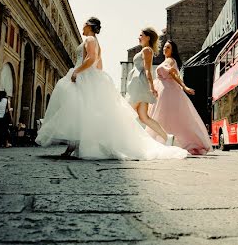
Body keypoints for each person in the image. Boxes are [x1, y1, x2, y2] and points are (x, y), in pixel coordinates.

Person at [36, 17, 187, 161]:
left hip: (97, 78)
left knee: (112, 116)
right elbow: (99, 64)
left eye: (84, 25)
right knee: (120, 116)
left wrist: (78, 71)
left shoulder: (90, 39)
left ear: (89, 25)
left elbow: (91, 59)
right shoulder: (96, 42)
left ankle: (130, 141)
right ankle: (158, 138)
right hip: (103, 78)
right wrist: (95, 77)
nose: (82, 27)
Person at [147, 40, 212, 155]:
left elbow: (174, 74)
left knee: (163, 119)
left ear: (172, 50)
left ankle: (164, 143)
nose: (164, 49)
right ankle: (167, 142)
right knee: (168, 120)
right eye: (164, 47)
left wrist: (184, 87)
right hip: (165, 93)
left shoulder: (170, 60)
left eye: (168, 47)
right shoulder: (168, 61)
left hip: (167, 94)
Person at [125, 27, 174, 146]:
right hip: (139, 85)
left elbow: (147, 70)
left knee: (127, 113)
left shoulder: (147, 50)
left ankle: (127, 142)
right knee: (144, 117)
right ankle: (167, 137)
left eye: (141, 35)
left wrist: (151, 87)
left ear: (148, 37)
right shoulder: (145, 50)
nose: (139, 37)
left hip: (139, 85)